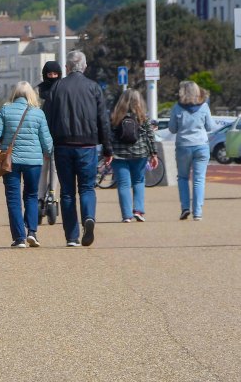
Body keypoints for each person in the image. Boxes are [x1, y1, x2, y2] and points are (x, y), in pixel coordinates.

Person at [44, 50, 112, 247]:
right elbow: (103, 120)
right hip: (87, 145)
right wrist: (108, 149)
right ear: (84, 67)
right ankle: (88, 217)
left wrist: (47, 145)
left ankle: (72, 236)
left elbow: (46, 119)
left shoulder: (56, 88)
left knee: (67, 192)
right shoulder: (93, 87)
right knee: (87, 187)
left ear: (67, 67)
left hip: (63, 144)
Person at [0, 82, 53, 248]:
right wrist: (47, 152)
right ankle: (32, 232)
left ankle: (19, 238)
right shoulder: (38, 113)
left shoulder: (5, 110)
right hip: (33, 161)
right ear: (31, 95)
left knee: (13, 198)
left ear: (14, 94)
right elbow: (47, 142)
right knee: (31, 195)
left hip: (10, 161)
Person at [168, 80, 217, 221]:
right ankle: (198, 212)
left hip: (183, 146)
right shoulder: (204, 107)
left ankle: (185, 208)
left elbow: (172, 129)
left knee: (183, 177)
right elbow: (210, 126)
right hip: (201, 145)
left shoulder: (177, 107)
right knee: (198, 179)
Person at [109, 89, 158, 223]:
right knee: (138, 181)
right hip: (139, 154)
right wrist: (154, 154)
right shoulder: (142, 116)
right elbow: (150, 136)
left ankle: (126, 215)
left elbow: (110, 136)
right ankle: (138, 210)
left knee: (123, 184)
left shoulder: (115, 117)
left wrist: (107, 153)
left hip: (119, 155)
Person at [36, 61, 62, 213]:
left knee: (54, 166)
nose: (52, 77)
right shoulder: (40, 91)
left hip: (57, 133)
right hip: (43, 133)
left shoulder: (62, 89)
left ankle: (52, 193)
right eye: (49, 74)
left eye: (55, 74)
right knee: (44, 165)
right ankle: (40, 196)